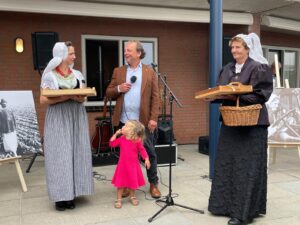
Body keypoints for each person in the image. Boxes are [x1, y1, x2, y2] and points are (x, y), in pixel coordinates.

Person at [207, 33, 273, 225]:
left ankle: (242, 213)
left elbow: (262, 95)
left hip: (253, 125)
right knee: (227, 164)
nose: (234, 51)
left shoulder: (259, 67)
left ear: (247, 48)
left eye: (238, 47)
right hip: (232, 123)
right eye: (232, 48)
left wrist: (235, 94)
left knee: (247, 168)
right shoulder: (227, 68)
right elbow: (222, 90)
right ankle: (223, 206)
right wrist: (214, 95)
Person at [40, 41, 94, 211]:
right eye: (71, 53)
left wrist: (77, 97)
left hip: (76, 116)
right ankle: (60, 197)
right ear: (61, 55)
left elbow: (83, 96)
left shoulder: (77, 74)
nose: (74, 56)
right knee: (60, 155)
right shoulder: (50, 76)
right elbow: (43, 99)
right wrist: (65, 97)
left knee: (77, 152)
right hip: (58, 117)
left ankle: (73, 193)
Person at [110, 120, 151, 208]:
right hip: (123, 166)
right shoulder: (121, 139)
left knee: (133, 182)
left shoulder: (137, 140)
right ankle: (119, 199)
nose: (123, 127)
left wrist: (146, 159)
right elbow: (112, 144)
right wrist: (116, 134)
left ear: (131, 131)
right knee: (120, 183)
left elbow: (142, 150)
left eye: (126, 126)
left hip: (133, 166)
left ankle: (132, 196)